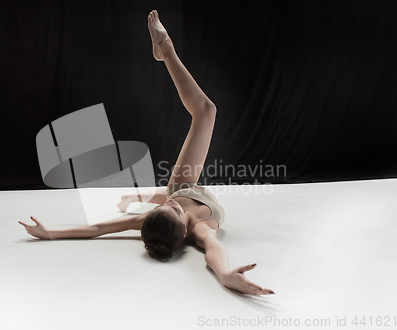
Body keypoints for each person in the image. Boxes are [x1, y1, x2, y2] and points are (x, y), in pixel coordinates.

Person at [19, 10, 274, 296]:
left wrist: (51, 233)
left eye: (164, 207)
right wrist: (226, 275)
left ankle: (166, 50)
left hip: (182, 186)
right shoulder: (201, 230)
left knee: (205, 113)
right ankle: (165, 54)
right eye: (175, 210)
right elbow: (214, 251)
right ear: (185, 232)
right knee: (207, 111)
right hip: (191, 190)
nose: (174, 206)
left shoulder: (153, 220)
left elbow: (99, 229)